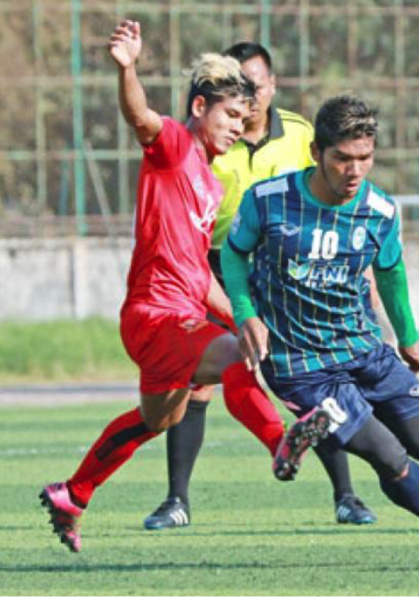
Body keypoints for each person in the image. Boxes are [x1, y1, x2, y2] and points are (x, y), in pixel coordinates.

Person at [39, 21, 325, 553]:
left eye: (244, 117)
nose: (238, 126)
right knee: (239, 359)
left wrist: (242, 314)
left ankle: (72, 494)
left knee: (156, 419)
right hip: (157, 316)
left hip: (175, 314)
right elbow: (140, 117)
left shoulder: (210, 181)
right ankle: (280, 444)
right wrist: (127, 69)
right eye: (229, 115)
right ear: (199, 108)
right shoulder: (174, 146)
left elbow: (197, 274)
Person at [143, 42, 377, 532]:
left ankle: (347, 496)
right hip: (216, 268)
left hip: (289, 273)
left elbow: (334, 195)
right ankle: (176, 499)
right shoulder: (209, 141)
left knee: (316, 377)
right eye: (241, 88)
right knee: (198, 383)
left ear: (271, 87)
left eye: (259, 85)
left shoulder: (300, 135)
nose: (252, 97)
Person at [222, 95, 419, 526]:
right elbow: (234, 256)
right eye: (342, 158)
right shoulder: (268, 200)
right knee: (389, 454)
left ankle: (338, 420)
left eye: (365, 158)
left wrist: (408, 335)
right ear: (316, 153)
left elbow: (390, 272)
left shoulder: (379, 210)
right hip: (300, 363)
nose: (355, 171)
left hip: (364, 349)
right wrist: (245, 313)